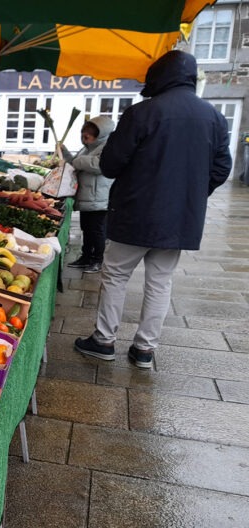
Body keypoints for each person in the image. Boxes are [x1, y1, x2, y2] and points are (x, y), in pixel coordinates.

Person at [75, 50, 231, 369]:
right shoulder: (214, 117)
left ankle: (104, 340)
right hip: (180, 218)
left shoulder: (143, 113)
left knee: (116, 274)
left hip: (136, 211)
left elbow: (111, 163)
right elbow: (221, 167)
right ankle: (145, 349)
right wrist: (192, 195)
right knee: (160, 281)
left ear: (158, 77)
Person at [60, 115, 116, 274]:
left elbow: (99, 165)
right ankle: (85, 257)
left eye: (87, 137)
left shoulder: (108, 146)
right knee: (86, 229)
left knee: (97, 231)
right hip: (86, 197)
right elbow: (74, 163)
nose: (84, 140)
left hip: (99, 199)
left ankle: (97, 260)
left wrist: (78, 161)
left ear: (99, 135)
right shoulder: (86, 149)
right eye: (82, 136)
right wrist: (64, 152)